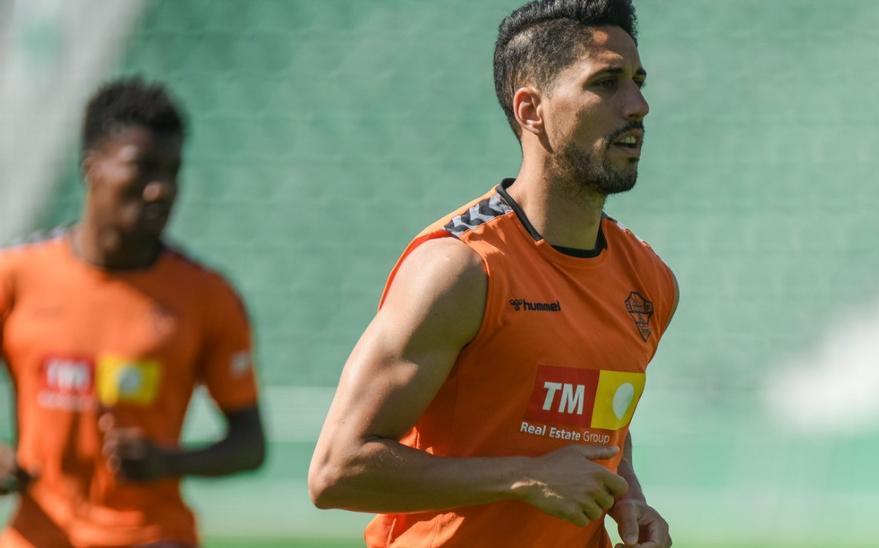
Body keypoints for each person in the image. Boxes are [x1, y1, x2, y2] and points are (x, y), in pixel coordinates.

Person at [307, 0, 676, 546]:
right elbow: (338, 470)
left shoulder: (648, 278)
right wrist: (525, 478)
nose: (638, 104)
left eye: (638, 81)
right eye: (606, 83)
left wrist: (628, 496)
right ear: (531, 110)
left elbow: (599, 425)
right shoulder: (460, 268)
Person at [0, 77, 266, 547]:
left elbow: (250, 444)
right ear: (91, 169)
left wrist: (169, 461)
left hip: (152, 536)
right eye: (142, 167)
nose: (160, 189)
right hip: (38, 534)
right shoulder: (16, 274)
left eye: (172, 171)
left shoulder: (207, 295)